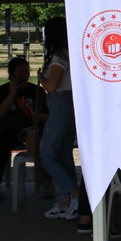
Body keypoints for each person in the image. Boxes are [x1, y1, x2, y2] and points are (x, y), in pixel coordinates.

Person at [38, 17, 81, 221]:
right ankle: (66, 201)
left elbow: (52, 85)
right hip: (71, 104)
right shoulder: (72, 52)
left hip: (60, 104)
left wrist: (41, 78)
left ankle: (75, 194)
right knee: (63, 154)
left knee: (46, 154)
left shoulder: (59, 56)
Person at [0, 57, 47, 203]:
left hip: (33, 129)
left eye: (26, 72)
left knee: (48, 139)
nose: (24, 76)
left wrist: (34, 115)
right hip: (9, 131)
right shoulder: (1, 91)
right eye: (20, 72)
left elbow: (48, 117)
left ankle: (46, 180)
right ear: (11, 74)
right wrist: (12, 95)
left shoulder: (37, 91)